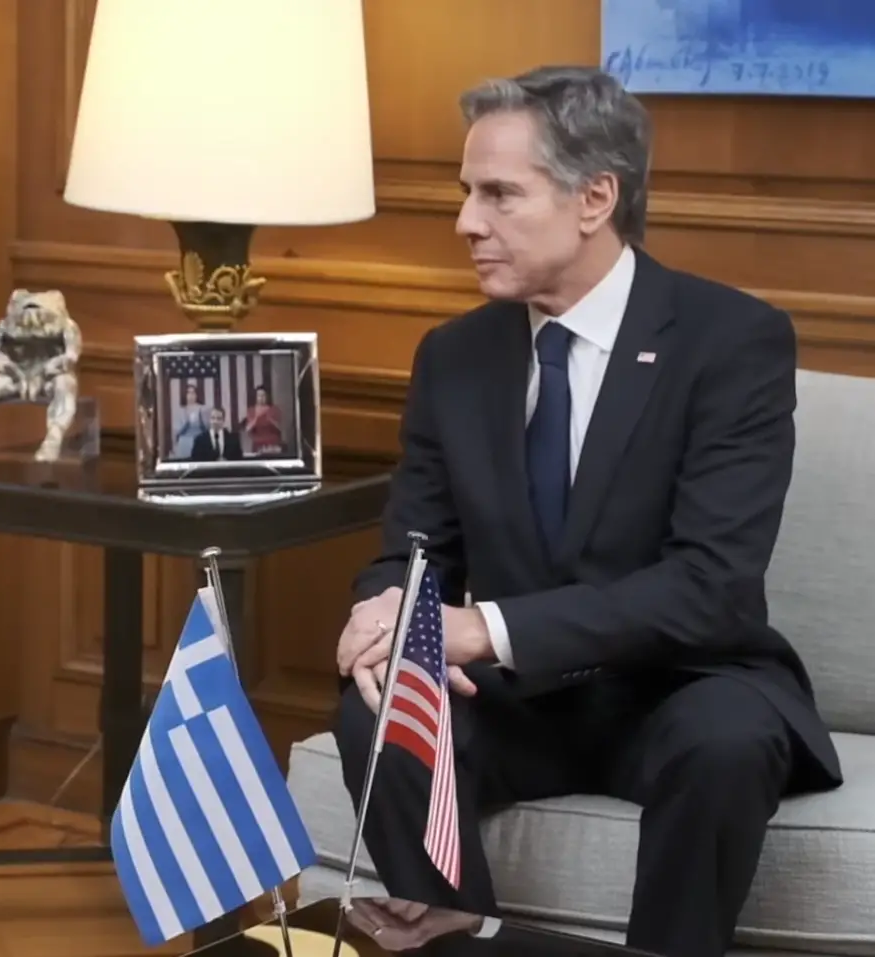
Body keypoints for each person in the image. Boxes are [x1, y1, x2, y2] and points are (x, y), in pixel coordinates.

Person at [330, 66, 840, 957]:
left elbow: (709, 585)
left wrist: (483, 628)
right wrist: (381, 608)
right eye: (465, 193)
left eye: (499, 194)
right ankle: (459, 940)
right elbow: (415, 549)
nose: (466, 222)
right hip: (523, 703)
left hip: (680, 682)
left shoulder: (729, 341)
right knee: (377, 706)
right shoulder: (453, 356)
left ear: (594, 198)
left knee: (725, 741)